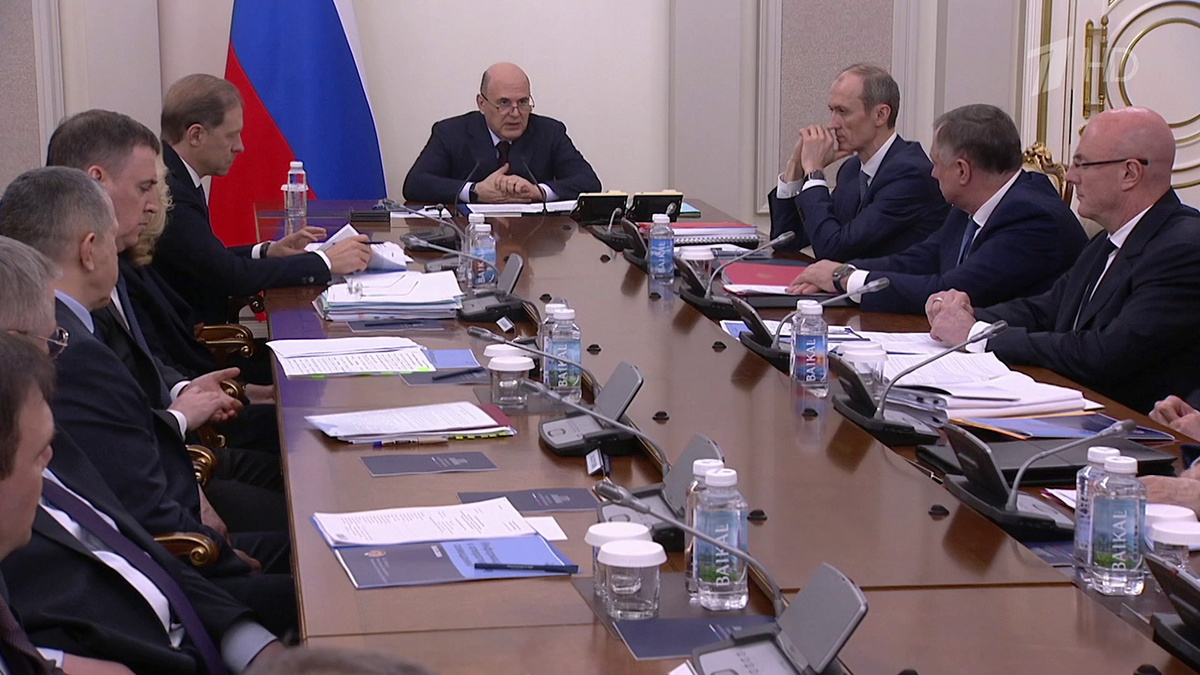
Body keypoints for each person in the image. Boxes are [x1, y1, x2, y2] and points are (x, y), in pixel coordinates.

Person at [0, 168, 296, 635]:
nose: (154, 203)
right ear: (89, 249)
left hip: (177, 539)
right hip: (179, 560)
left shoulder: (75, 325)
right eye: (145, 186)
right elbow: (133, 516)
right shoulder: (68, 351)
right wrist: (216, 557)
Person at [927, 107, 1200, 413]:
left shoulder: (1183, 249)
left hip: (1132, 424)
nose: (1070, 177)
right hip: (1078, 406)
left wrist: (978, 335)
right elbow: (1047, 309)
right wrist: (965, 313)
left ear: (1129, 173)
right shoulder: (1107, 240)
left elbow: (1104, 353)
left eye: (1082, 164)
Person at [47, 109, 283, 456]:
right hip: (167, 455)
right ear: (97, 181)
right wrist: (182, 413)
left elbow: (146, 360)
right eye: (144, 188)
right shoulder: (70, 299)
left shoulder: (118, 257)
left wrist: (184, 389)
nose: (154, 207)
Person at [787, 104, 1086, 314]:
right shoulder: (969, 204)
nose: (932, 173)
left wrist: (844, 278)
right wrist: (843, 274)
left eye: (937, 164)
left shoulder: (1032, 218)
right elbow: (921, 259)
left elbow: (951, 287)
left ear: (962, 171)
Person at [153, 74, 372, 324]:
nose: (240, 146)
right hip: (194, 341)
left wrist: (267, 251)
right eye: (231, 135)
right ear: (196, 135)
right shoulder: (171, 194)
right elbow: (232, 277)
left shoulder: (176, 175)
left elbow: (206, 259)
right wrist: (325, 262)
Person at [767, 63, 949, 258]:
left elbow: (834, 250)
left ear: (880, 115)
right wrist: (795, 167)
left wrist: (814, 173)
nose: (832, 124)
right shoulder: (852, 169)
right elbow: (786, 242)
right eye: (832, 111)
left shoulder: (910, 175)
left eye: (843, 111)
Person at [402, 62, 601, 205]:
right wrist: (474, 191)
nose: (515, 113)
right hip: (468, 237)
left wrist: (539, 192)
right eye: (504, 103)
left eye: (523, 102)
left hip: (535, 238)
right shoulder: (450, 132)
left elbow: (589, 183)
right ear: (482, 103)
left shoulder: (550, 132)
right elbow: (415, 184)